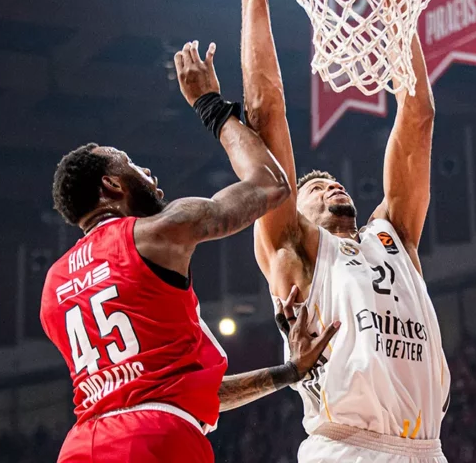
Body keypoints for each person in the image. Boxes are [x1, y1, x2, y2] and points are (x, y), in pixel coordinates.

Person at [41, 41, 340, 463]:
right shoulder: (157, 232)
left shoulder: (53, 286)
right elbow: (271, 184)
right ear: (112, 186)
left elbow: (177, 391)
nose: (148, 173)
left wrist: (288, 372)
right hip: (155, 439)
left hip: (80, 445)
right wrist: (208, 104)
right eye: (132, 165)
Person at [240, 0, 451, 463]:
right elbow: (267, 116)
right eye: (311, 187)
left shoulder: (393, 237)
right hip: (349, 451)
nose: (328, 182)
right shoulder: (296, 249)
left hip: (427, 449)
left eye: (329, 180)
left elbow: (419, 118)